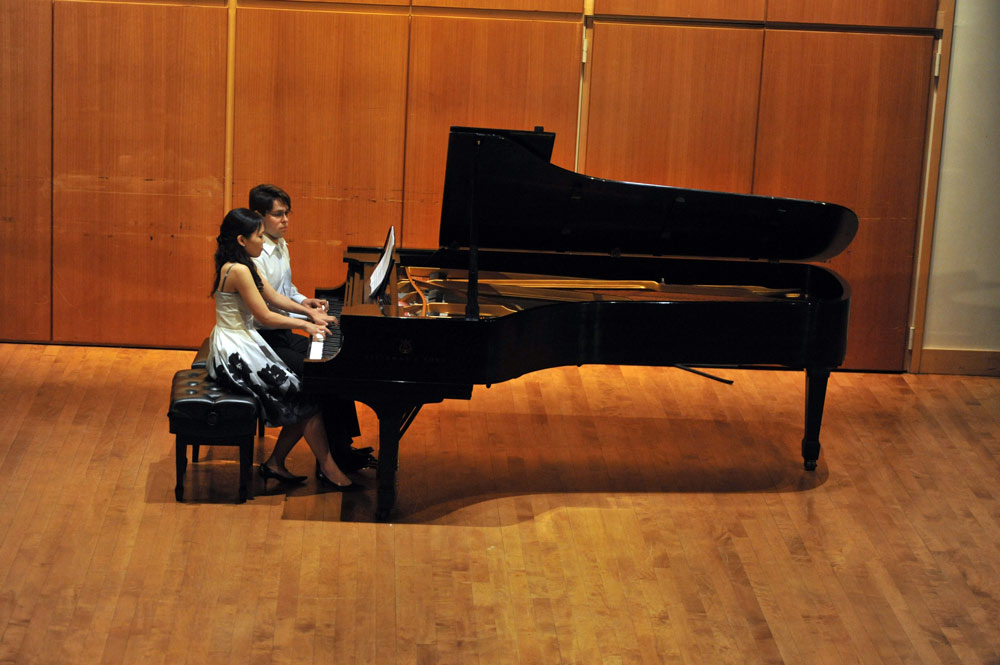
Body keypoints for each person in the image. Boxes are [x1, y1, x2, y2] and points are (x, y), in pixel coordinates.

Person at [207, 208, 359, 490]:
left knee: (307, 396)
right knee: (306, 397)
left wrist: (309, 312)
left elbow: (274, 297)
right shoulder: (238, 270)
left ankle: (282, 463)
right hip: (235, 351)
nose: (263, 243)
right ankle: (325, 466)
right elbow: (265, 315)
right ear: (242, 239)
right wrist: (305, 326)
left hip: (244, 341)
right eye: (259, 236)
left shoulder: (244, 264)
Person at [248, 184, 374, 473]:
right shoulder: (255, 256)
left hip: (281, 333)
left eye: (287, 214)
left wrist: (306, 300)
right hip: (262, 340)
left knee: (335, 362)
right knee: (322, 372)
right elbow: (267, 309)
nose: (286, 220)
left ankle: (342, 447)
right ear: (259, 215)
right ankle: (332, 456)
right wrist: (308, 319)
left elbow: (286, 289)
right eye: (278, 215)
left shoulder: (279, 243)